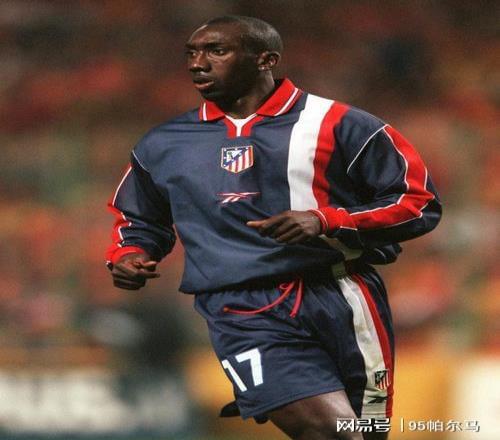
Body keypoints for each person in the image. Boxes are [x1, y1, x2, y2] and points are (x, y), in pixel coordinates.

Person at [105, 15, 442, 440]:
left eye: (216, 51)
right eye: (192, 53)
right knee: (333, 432)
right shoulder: (163, 143)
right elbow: (139, 218)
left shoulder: (341, 124)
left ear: (266, 59)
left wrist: (327, 219)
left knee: (368, 432)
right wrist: (130, 253)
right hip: (242, 308)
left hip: (346, 297)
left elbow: (418, 204)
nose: (197, 64)